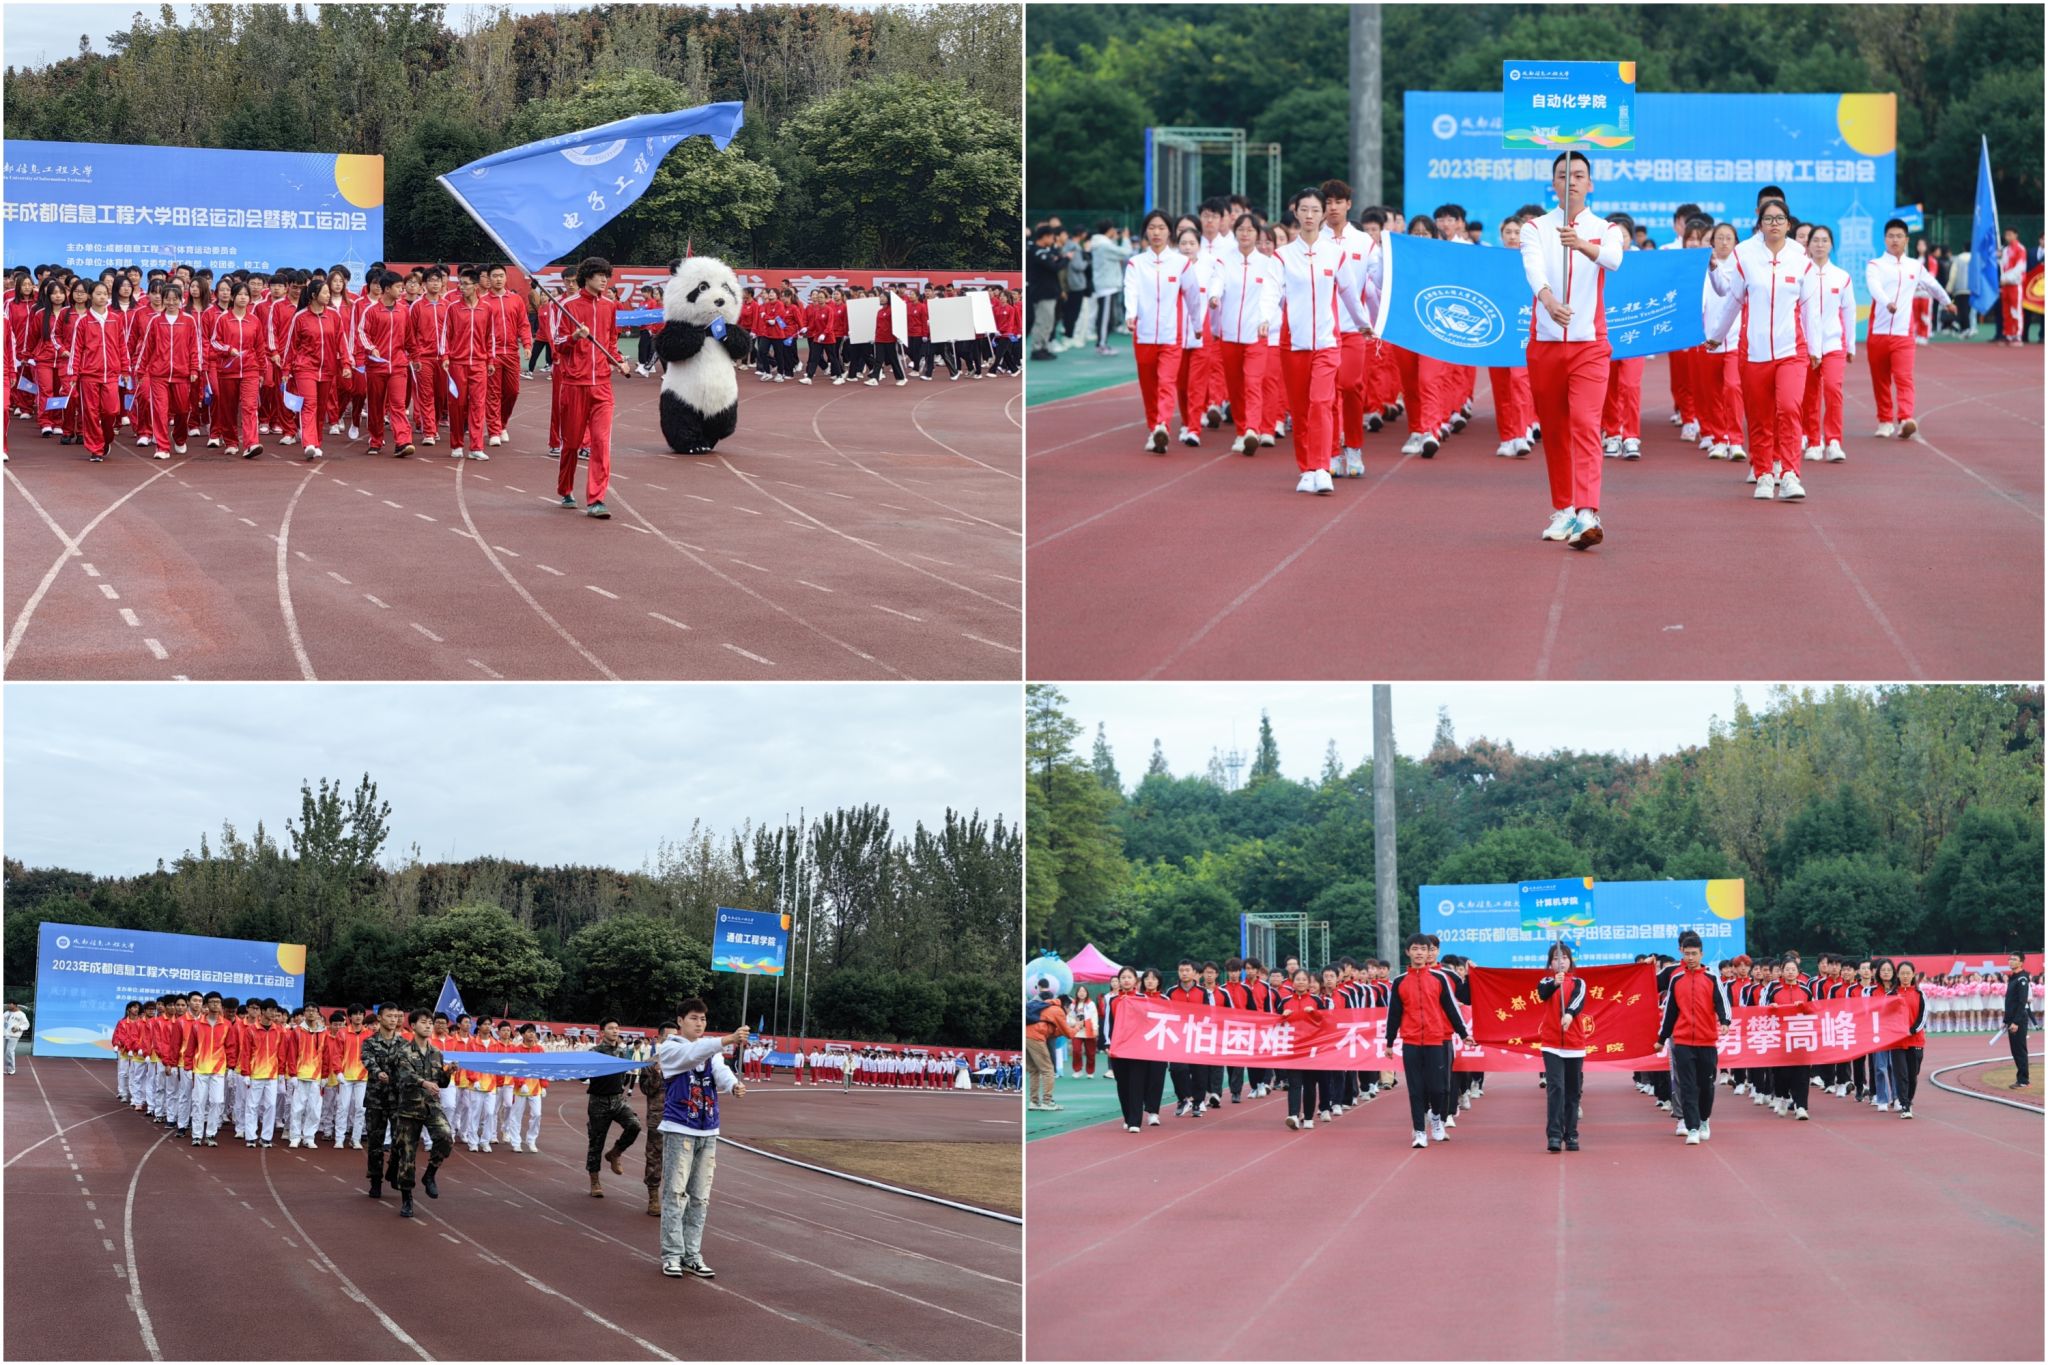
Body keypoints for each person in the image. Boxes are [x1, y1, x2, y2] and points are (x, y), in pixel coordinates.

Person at [1521, 152, 1626, 548]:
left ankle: (1587, 512)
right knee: (1554, 429)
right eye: (1564, 175)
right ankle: (1564, 509)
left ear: (1590, 183)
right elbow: (1533, 268)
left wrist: (1580, 244)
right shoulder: (1535, 227)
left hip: (1589, 345)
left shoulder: (1606, 228)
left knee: (1584, 423)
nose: (1572, 181)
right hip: (1545, 345)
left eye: (1579, 175)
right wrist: (1548, 300)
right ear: (1554, 183)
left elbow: (1614, 260)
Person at [1709, 196, 1821, 503]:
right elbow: (1733, 301)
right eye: (1768, 219)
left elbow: (1810, 308)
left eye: (1779, 219)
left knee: (1789, 409)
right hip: (1754, 352)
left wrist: (1816, 347)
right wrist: (1717, 336)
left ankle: (1790, 474)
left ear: (1788, 224)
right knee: (1759, 417)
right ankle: (1763, 474)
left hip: (1791, 351)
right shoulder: (1745, 257)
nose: (1774, 224)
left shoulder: (1801, 260)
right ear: (1760, 224)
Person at [1274, 186, 1374, 496]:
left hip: (1328, 341)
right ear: (1295, 212)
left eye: (1315, 210)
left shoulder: (1335, 253)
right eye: (1304, 209)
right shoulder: (1282, 255)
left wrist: (1363, 323)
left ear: (1321, 215)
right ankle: (1306, 469)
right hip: (1294, 343)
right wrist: (1265, 317)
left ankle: (1321, 467)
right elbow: (1272, 292)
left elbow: (1350, 292)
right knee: (1301, 408)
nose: (1309, 215)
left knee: (1321, 402)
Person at [655, 999, 749, 1278]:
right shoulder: (670, 1048)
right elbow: (693, 1055)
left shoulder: (710, 1049)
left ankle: (692, 1254)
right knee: (675, 1193)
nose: (699, 1024)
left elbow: (720, 1070)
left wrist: (733, 1085)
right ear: (680, 1021)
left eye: (703, 1019)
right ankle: (672, 1254)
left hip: (708, 1130)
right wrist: (727, 1039)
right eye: (694, 1018)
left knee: (700, 1197)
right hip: (679, 1128)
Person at [1124, 211, 1204, 455]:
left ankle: (1162, 425)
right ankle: (1154, 429)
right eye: (1152, 228)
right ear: (1145, 232)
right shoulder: (1136, 263)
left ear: (1170, 232)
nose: (1156, 232)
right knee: (1149, 386)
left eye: (1161, 228)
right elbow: (1131, 290)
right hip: (1144, 334)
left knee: (1167, 382)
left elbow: (1192, 296)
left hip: (1171, 335)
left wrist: (1197, 325)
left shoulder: (1180, 263)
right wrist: (1130, 313)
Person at [1864, 217, 1953, 440]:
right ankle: (1885, 421)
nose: (1894, 240)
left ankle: (1905, 419)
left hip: (1903, 334)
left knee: (1904, 377)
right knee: (1881, 380)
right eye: (1890, 236)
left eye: (1899, 236)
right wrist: (1887, 302)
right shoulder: (1875, 265)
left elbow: (1932, 285)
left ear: (1906, 240)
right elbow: (1874, 287)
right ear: (1885, 239)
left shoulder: (1914, 266)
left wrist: (1947, 301)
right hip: (1878, 333)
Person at [1386, 933, 1470, 1148]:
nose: (1419, 953)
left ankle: (1436, 1117)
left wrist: (1463, 1033)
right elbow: (1394, 1013)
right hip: (1411, 1041)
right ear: (1408, 952)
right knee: (1415, 1089)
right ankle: (1420, 1132)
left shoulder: (1439, 978)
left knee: (1439, 1088)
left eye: (1423, 949)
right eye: (1415, 949)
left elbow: (1451, 1007)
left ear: (1429, 952)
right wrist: (1389, 1041)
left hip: (1435, 1040)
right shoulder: (1400, 982)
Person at [1658, 931, 1731, 1145]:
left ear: (1701, 954)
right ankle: (1692, 1127)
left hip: (1706, 1040)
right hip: (1682, 1042)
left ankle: (1704, 1119)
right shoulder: (1676, 979)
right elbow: (1670, 1012)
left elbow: (1722, 1003)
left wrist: (1725, 1021)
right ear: (1682, 953)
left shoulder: (1711, 978)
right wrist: (1661, 1038)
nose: (1690, 958)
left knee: (1706, 1085)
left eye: (1694, 954)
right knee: (1687, 1086)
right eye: (1687, 953)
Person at [387, 1008, 455, 1219]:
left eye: (430, 1022)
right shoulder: (403, 1052)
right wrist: (424, 1083)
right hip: (409, 1108)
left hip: (431, 1106)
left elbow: (441, 1083)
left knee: (445, 1137)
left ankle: (430, 1174)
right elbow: (405, 1076)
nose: (428, 1025)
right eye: (423, 1022)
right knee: (407, 1155)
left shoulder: (436, 1053)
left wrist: (448, 1073)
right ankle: (407, 1199)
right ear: (413, 1025)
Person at [1798, 224, 1855, 464]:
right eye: (1815, 240)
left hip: (1833, 344)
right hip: (1806, 345)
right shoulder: (1801, 274)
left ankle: (1833, 441)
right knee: (1809, 395)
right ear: (1808, 245)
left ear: (1831, 245)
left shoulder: (1841, 276)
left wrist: (1850, 345)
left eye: (1824, 240)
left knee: (1833, 389)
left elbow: (1849, 311)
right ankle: (1813, 441)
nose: (1820, 245)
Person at [357, 272, 416, 458]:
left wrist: (415, 356)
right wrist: (371, 349)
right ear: (387, 289)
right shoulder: (371, 311)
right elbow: (362, 333)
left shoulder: (403, 311)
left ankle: (403, 441)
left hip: (398, 365)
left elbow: (409, 336)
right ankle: (375, 440)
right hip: (376, 367)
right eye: (398, 287)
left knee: (398, 404)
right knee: (376, 406)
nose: (402, 290)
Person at [440, 266, 497, 461]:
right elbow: (445, 335)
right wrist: (445, 357)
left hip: (479, 364)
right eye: (460, 284)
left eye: (465, 284)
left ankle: (476, 446)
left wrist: (490, 360)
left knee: (478, 405)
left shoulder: (487, 309)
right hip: (458, 363)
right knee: (457, 405)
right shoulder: (453, 308)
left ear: (475, 286)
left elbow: (490, 337)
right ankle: (456, 444)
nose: (461, 287)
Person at [1535, 941, 1586, 1152]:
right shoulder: (1546, 981)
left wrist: (1569, 1015)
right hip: (1551, 1045)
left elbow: (1578, 1000)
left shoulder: (1579, 982)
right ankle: (1554, 1135)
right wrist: (1555, 984)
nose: (1560, 962)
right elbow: (1542, 994)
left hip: (1574, 1044)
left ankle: (1571, 1134)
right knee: (1556, 1088)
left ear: (1570, 961)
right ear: (1550, 964)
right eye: (1556, 958)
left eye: (1564, 957)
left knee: (1573, 1092)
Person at [585, 1018, 643, 1197]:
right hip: (598, 1102)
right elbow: (582, 1076)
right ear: (602, 1032)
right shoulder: (594, 1052)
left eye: (617, 1028)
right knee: (596, 1143)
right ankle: (595, 1181)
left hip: (618, 1100)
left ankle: (615, 1153)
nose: (615, 1031)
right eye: (611, 1028)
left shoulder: (623, 1052)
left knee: (634, 1125)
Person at [1891, 959, 1927, 1118]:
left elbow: (1923, 1016)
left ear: (1913, 975)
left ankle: (1909, 1100)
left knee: (1913, 1075)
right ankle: (1905, 1105)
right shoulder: (1891, 994)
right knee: (1901, 1075)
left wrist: (1912, 1030)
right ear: (1897, 975)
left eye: (1908, 973)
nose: (1905, 976)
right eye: (1902, 973)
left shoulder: (1920, 994)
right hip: (1897, 1042)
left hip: (1915, 1040)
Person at [1025, 987, 1067, 1111]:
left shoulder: (1036, 1005)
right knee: (1048, 1070)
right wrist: (1077, 1027)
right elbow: (1068, 1032)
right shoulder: (1055, 1009)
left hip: (1026, 1036)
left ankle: (1033, 1101)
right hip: (1036, 1037)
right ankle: (1047, 1101)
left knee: (1034, 1070)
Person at [2003, 952, 2033, 1089]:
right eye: (2010, 959)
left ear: (2021, 962)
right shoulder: (2013, 978)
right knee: (2015, 1050)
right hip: (2012, 1019)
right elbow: (2010, 1002)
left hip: (2018, 1019)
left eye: (2014, 959)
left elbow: (2022, 1002)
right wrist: (2006, 1020)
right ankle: (2021, 1079)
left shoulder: (2022, 979)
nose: (2011, 961)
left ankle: (2023, 1080)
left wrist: (2015, 1022)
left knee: (2020, 1050)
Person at [1998, 227, 2026, 344]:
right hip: (2005, 286)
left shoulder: (2020, 249)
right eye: (2006, 235)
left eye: (2010, 234)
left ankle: (2017, 335)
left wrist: (2007, 279)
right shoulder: (2005, 250)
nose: (2007, 237)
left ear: (2016, 235)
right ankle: (2008, 334)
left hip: (2015, 284)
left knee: (2016, 310)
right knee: (2006, 311)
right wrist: (1998, 258)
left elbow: (2020, 267)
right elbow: (2003, 267)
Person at [1068, 984, 1100, 1078]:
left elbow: (1094, 1017)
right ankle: (1078, 1070)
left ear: (1087, 993)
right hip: (1077, 1031)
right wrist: (1075, 1023)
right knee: (1076, 1051)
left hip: (1089, 1030)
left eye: (1084, 991)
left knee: (1090, 1053)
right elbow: (1069, 1017)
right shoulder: (1073, 1004)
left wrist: (1095, 1029)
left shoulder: (1091, 1004)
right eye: (1080, 991)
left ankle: (1090, 1072)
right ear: (1077, 993)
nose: (1082, 993)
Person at [2, 999, 28, 1074]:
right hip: (5, 1035)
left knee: (9, 1052)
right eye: (8, 1004)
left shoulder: (21, 1014)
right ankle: (6, 1068)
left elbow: (26, 1024)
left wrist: (19, 1028)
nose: (8, 1005)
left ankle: (11, 1069)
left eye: (10, 1004)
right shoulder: (6, 1013)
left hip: (14, 1036)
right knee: (4, 1052)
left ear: (15, 1005)